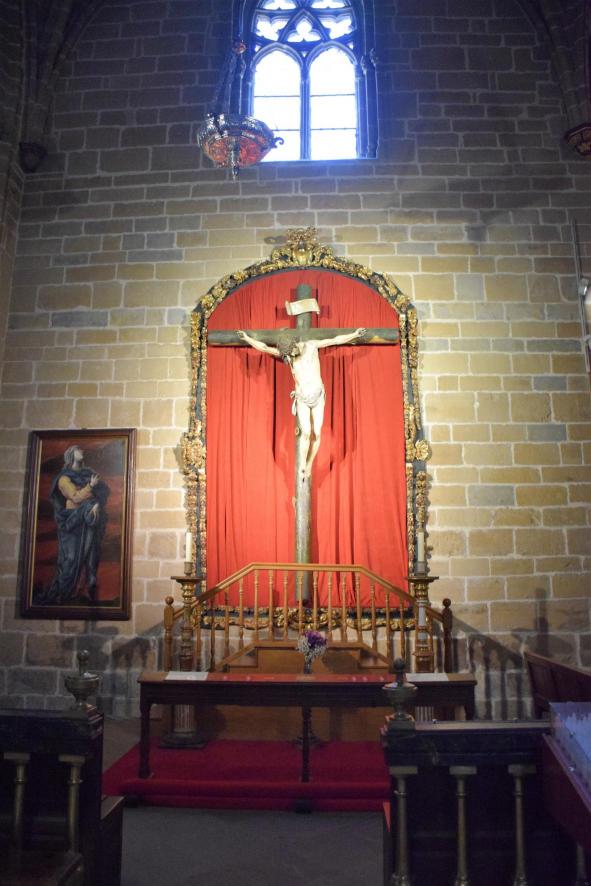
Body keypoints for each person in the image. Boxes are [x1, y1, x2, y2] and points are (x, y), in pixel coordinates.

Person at [237, 326, 366, 479]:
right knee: (306, 432)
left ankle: (309, 463)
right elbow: (264, 348)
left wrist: (354, 334)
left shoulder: (311, 346)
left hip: (317, 396)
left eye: (292, 352)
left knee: (316, 433)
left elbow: (335, 340)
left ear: (294, 344)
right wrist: (247, 338)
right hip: (302, 398)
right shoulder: (289, 355)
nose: (291, 357)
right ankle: (303, 464)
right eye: (288, 355)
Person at [41, 445, 109, 604]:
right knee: (71, 559)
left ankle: (84, 591)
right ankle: (64, 594)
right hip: (72, 521)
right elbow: (75, 497)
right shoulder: (64, 479)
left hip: (89, 519)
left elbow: (102, 492)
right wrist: (90, 487)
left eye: (82, 449)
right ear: (71, 455)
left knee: (90, 555)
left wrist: (96, 503)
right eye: (78, 450)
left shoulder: (89, 474)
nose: (82, 451)